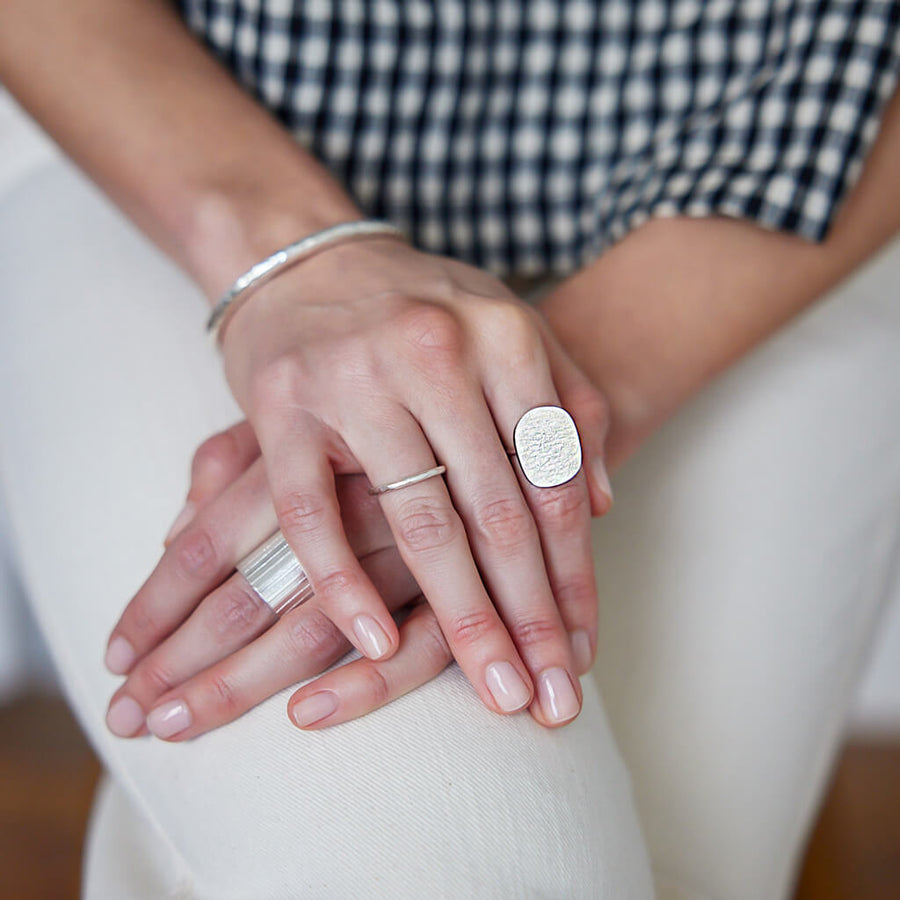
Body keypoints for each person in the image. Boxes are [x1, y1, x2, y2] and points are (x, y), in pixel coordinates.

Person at [1, 1, 899, 897]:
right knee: (443, 861)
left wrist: (539, 416)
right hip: (160, 121)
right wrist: (296, 264)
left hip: (794, 187)